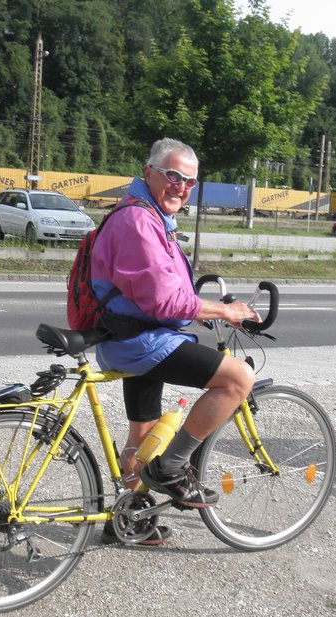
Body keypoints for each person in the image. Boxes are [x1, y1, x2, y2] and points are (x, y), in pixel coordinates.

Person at [90, 138, 261, 545]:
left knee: (142, 435)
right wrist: (225, 311)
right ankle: (173, 467)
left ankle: (127, 522)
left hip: (130, 336)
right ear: (147, 171)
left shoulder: (146, 214)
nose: (180, 186)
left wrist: (203, 305)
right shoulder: (138, 221)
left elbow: (159, 290)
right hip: (143, 342)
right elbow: (168, 301)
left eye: (189, 181)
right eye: (172, 175)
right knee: (237, 379)